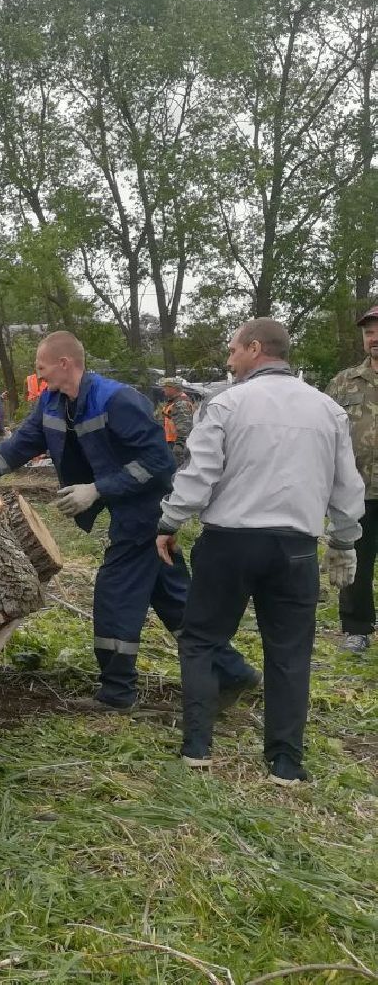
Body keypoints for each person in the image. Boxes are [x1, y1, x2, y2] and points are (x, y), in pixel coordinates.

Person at [0, 331, 258, 712]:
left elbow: (160, 464)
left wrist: (97, 489)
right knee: (174, 599)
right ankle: (231, 671)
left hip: (147, 515)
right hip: (127, 511)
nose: (38, 373)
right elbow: (13, 450)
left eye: (41, 366)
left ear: (65, 363)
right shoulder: (52, 402)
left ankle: (116, 693)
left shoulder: (117, 400)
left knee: (115, 593)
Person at [157, 318, 364, 784]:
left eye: (232, 349)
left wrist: (170, 520)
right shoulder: (327, 408)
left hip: (229, 542)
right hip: (295, 548)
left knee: (200, 638)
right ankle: (285, 762)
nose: (228, 359)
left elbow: (200, 472)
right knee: (289, 651)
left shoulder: (228, 403)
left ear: (255, 348)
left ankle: (197, 747)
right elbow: (346, 483)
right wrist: (344, 537)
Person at [324, 304, 378, 656]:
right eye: (369, 332)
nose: (374, 338)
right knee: (355, 558)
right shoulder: (342, 382)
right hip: (358, 491)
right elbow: (324, 432)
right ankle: (356, 629)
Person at [156, 377, 195, 468]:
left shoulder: (181, 403)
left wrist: (179, 446)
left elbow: (184, 428)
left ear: (172, 388)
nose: (163, 389)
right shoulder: (174, 402)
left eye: (165, 387)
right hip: (172, 442)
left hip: (177, 445)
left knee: (178, 472)